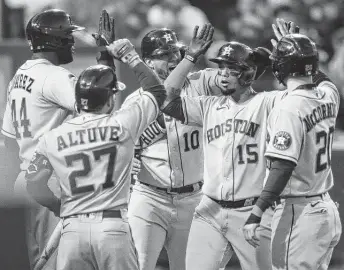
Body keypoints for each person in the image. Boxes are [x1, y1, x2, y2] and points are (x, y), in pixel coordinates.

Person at [25, 37, 166, 270]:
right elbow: (156, 90)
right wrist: (130, 57)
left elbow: (33, 184)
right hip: (112, 229)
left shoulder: (52, 137)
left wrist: (58, 207)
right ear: (110, 99)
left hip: (72, 231)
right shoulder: (123, 125)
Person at [159, 22, 286, 268]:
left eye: (232, 69)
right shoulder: (208, 106)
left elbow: (303, 96)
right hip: (209, 210)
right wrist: (190, 57)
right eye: (222, 68)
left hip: (253, 212)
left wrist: (290, 57)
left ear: (248, 73)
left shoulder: (267, 103)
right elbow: (165, 97)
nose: (223, 74)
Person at [0, 8, 115, 269]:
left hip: (27, 181)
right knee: (62, 264)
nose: (72, 42)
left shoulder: (19, 76)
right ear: (54, 40)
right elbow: (99, 104)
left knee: (39, 262)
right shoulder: (54, 76)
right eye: (67, 36)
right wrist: (105, 56)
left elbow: (9, 141)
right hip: (51, 181)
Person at [122, 24, 228, 270]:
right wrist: (130, 156)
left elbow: (231, 76)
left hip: (194, 198)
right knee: (138, 265)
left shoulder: (200, 83)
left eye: (177, 53)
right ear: (147, 62)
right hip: (150, 198)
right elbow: (119, 149)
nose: (174, 59)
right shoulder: (136, 102)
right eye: (165, 54)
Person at [243, 19, 342, 270]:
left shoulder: (289, 107)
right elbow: (323, 78)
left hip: (299, 212)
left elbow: (282, 167)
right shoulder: (329, 95)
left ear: (280, 68)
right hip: (326, 210)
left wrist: (257, 212)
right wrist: (300, 51)